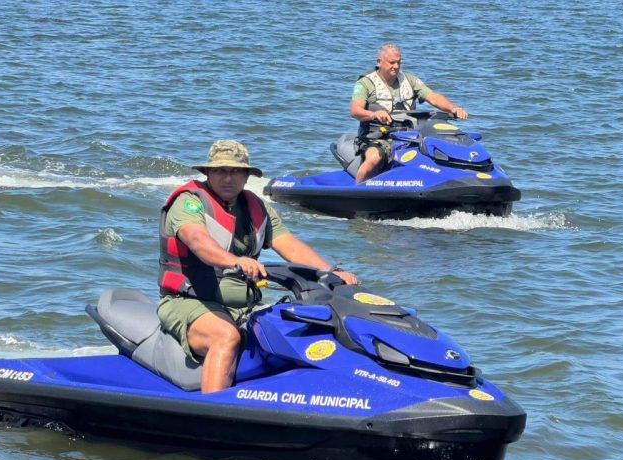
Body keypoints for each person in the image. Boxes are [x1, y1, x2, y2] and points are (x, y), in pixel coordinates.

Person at [158, 140, 358, 394]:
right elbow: (198, 242)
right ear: (208, 172)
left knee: (296, 328)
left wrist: (332, 273)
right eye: (220, 171)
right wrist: (235, 261)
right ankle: (214, 408)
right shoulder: (189, 203)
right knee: (226, 336)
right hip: (188, 302)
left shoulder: (257, 208)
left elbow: (290, 246)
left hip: (242, 305)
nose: (227, 178)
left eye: (235, 171)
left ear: (246, 176)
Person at [349, 43, 470, 183]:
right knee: (374, 158)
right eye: (391, 62)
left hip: (409, 137)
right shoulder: (365, 83)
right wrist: (374, 114)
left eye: (398, 62)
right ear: (379, 62)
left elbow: (433, 97)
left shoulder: (409, 80)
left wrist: (453, 108)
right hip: (377, 137)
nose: (396, 66)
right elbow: (355, 111)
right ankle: (358, 189)